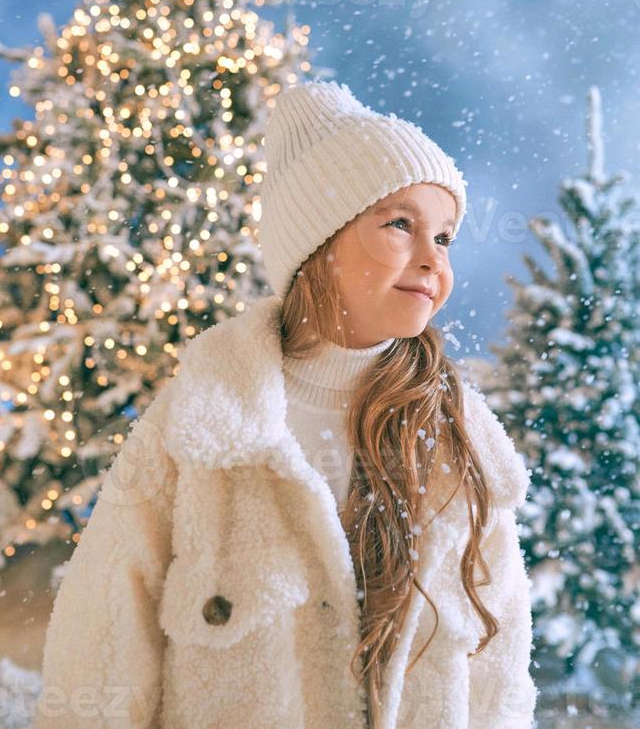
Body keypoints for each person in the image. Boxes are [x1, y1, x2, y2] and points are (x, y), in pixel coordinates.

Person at [35, 80, 538, 729]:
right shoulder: (200, 428)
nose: (430, 260)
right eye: (398, 226)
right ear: (318, 249)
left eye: (443, 238)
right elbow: (102, 647)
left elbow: (500, 674)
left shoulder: (457, 443)